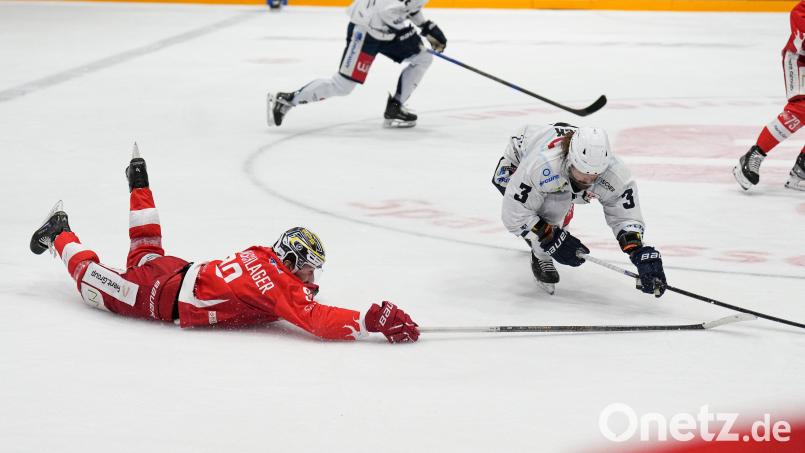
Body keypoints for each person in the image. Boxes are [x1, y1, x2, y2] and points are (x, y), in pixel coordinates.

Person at [29, 145, 419, 343]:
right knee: (91, 283)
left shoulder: (261, 253)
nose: (311, 275)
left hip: (174, 274)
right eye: (307, 265)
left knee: (146, 249)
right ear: (292, 258)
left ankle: (139, 183)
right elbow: (314, 319)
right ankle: (59, 232)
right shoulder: (280, 285)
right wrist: (369, 320)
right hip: (158, 296)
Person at [491, 123, 667, 296]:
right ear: (570, 159)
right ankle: (541, 255)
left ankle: (542, 235)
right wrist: (549, 236)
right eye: (583, 173)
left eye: (594, 175)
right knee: (553, 202)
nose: (588, 180)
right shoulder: (542, 166)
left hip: (560, 181)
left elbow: (625, 215)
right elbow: (514, 213)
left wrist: (638, 251)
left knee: (562, 200)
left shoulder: (613, 172)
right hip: (521, 155)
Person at [266, 0, 447, 129]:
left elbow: (408, 7)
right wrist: (408, 35)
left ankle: (396, 107)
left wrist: (425, 26)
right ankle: (286, 101)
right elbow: (387, 11)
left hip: (386, 30)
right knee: (342, 86)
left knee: (423, 58)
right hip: (366, 30)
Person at [734, 0, 805, 191]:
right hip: (800, 60)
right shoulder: (802, 11)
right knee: (802, 108)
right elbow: (798, 14)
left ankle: (802, 170)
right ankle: (753, 156)